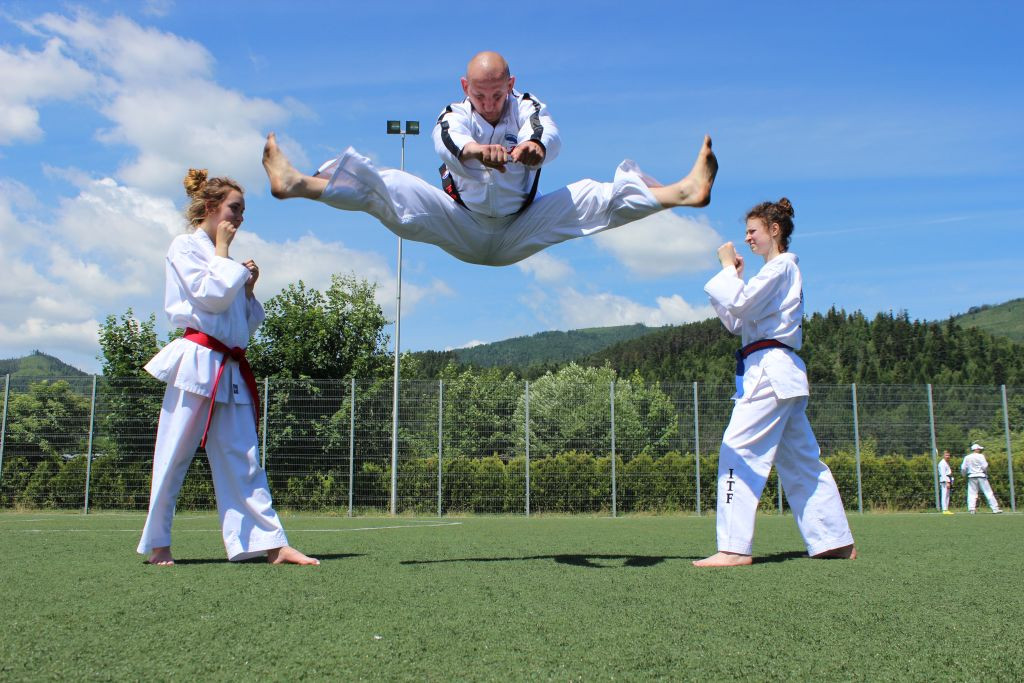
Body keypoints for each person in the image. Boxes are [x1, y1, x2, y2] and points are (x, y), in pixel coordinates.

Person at [262, 51, 717, 267]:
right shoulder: (452, 115)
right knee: (392, 186)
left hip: (522, 225)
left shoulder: (528, 106)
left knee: (589, 196)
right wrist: (478, 152)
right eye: (480, 94)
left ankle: (684, 191)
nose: (490, 102)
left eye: (498, 93)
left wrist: (534, 151)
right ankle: (297, 183)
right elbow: (448, 144)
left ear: (511, 84)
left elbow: (548, 135)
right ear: (465, 88)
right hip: (460, 223)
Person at [137, 169, 319, 566]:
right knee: (173, 454)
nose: (240, 218)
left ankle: (269, 544)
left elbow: (244, 326)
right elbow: (211, 297)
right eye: (234, 209)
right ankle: (159, 544)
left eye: (242, 211)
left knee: (243, 456)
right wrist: (223, 257)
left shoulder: (226, 262)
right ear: (210, 208)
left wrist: (249, 289)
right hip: (196, 362)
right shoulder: (185, 247)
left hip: (230, 367)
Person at [693, 198, 856, 567]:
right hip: (777, 371)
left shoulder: (781, 267)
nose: (748, 238)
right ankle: (835, 541)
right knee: (801, 461)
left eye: (753, 231)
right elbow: (738, 321)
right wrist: (733, 277)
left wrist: (725, 269)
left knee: (737, 449)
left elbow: (743, 305)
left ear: (774, 230)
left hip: (769, 370)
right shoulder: (774, 274)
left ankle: (733, 547)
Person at [960, 443, 1002, 514]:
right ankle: (995, 508)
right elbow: (985, 466)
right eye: (979, 449)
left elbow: (963, 468)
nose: (979, 450)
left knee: (972, 493)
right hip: (981, 475)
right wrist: (985, 472)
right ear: (976, 449)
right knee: (988, 492)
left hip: (971, 476)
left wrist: (964, 474)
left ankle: (972, 509)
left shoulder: (967, 457)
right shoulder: (981, 456)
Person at [938, 450, 954, 514]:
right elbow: (943, 473)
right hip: (944, 480)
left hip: (948, 479)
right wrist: (947, 482)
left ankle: (946, 509)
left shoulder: (946, 462)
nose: (948, 456)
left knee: (947, 495)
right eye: (946, 455)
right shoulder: (942, 463)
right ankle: (944, 509)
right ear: (943, 456)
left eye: (949, 455)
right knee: (944, 494)